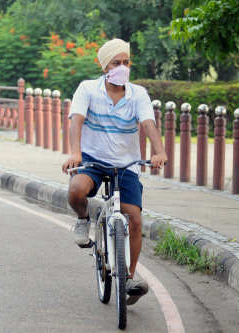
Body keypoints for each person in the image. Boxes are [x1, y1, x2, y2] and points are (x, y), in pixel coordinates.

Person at [62, 38, 167, 303]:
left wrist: (159, 151)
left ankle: (129, 278)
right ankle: (84, 218)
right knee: (76, 191)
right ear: (104, 66)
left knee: (134, 218)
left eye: (126, 62)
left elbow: (148, 124)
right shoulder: (87, 89)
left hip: (127, 164)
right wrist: (75, 152)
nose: (122, 67)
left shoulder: (138, 94)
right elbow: (76, 121)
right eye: (116, 63)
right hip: (94, 160)